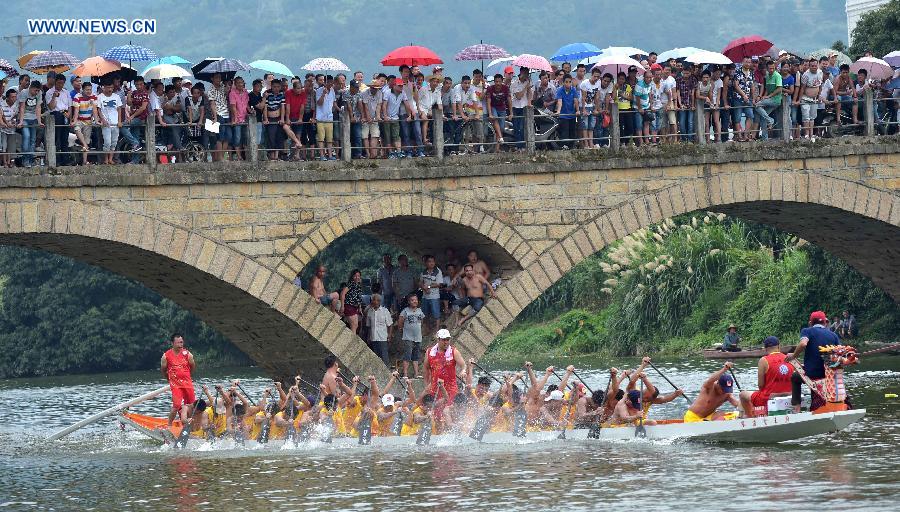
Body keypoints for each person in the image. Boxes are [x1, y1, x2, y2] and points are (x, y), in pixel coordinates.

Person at [786, 310, 841, 412]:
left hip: (813, 374)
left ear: (810, 323)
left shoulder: (807, 331)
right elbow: (839, 353)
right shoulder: (833, 335)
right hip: (829, 375)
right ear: (825, 322)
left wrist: (793, 355)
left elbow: (803, 344)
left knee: (795, 377)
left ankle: (796, 409)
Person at [738, 336, 793, 417]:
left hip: (769, 397)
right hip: (790, 395)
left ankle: (750, 418)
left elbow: (760, 385)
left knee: (742, 395)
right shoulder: (790, 358)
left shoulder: (763, 360)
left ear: (765, 348)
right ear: (779, 346)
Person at [161, 333, 196, 428]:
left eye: (182, 342)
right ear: (172, 343)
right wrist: (169, 379)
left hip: (187, 383)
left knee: (191, 405)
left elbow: (192, 366)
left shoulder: (188, 354)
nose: (181, 345)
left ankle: (190, 425)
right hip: (175, 385)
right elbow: (163, 370)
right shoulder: (166, 356)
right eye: (178, 343)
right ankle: (169, 426)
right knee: (176, 405)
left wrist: (187, 376)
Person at [423, 328, 466, 401]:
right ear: (438, 340)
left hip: (451, 388)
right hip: (435, 388)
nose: (446, 342)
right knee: (435, 410)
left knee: (448, 410)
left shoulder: (454, 351)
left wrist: (463, 371)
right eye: (443, 340)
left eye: (448, 339)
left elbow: (463, 365)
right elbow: (426, 369)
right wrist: (426, 385)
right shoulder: (429, 352)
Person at [397, 293, 425, 378]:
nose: (414, 301)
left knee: (416, 356)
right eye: (412, 300)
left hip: (418, 337)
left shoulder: (420, 310)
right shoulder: (405, 311)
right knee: (407, 355)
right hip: (408, 337)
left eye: (416, 300)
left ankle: (416, 374)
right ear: (409, 302)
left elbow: (422, 321)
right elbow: (400, 322)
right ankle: (405, 374)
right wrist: (401, 329)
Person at [96, 83, 124, 166]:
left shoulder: (116, 97)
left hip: (115, 123)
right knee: (107, 142)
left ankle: (111, 159)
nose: (110, 89)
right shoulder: (100, 97)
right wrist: (103, 120)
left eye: (111, 87)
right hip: (106, 124)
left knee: (114, 142)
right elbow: (99, 110)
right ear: (103, 87)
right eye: (108, 87)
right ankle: (105, 159)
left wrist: (119, 121)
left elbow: (119, 109)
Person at [70, 81, 97, 165]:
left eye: (90, 90)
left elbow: (95, 110)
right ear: (83, 90)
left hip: (88, 120)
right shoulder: (77, 96)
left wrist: (96, 120)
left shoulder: (94, 96)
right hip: (79, 119)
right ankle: (85, 144)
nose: (89, 91)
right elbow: (76, 110)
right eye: (87, 90)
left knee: (87, 140)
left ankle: (85, 161)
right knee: (77, 128)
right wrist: (74, 120)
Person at [17, 80, 43, 168]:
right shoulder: (24, 92)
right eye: (35, 90)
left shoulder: (39, 94)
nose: (36, 92)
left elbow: (38, 108)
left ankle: (31, 159)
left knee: (33, 139)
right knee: (26, 136)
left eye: (38, 91)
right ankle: (25, 158)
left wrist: (39, 121)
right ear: (30, 88)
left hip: (34, 118)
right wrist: (20, 121)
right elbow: (22, 108)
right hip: (24, 118)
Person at [486, 73, 511, 152]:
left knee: (501, 128)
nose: (498, 83)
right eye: (496, 82)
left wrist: (511, 113)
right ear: (494, 82)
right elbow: (488, 101)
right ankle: (500, 137)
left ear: (502, 81)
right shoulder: (490, 88)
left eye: (499, 81)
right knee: (495, 119)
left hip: (502, 108)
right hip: (493, 107)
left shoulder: (505, 88)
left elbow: (509, 100)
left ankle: (497, 149)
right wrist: (490, 113)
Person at [554, 74, 581, 148]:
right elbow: (560, 101)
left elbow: (576, 101)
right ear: (563, 82)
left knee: (572, 132)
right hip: (563, 115)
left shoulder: (573, 90)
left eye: (570, 82)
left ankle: (572, 147)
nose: (568, 84)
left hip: (572, 114)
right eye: (566, 82)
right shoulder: (560, 90)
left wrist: (578, 110)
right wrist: (559, 111)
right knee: (564, 132)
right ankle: (564, 146)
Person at [366, 293, 393, 365]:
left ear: (379, 301)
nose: (374, 302)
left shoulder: (385, 311)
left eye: (376, 300)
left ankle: (387, 373)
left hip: (382, 337)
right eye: (373, 300)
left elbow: (390, 325)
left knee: (384, 357)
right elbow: (369, 326)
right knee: (376, 357)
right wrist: (368, 337)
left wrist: (389, 335)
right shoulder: (369, 311)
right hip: (373, 338)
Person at [419, 255, 443, 333]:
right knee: (424, 313)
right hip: (425, 296)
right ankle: (427, 329)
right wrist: (424, 288)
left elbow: (439, 284)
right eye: (429, 261)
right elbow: (420, 283)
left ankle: (437, 330)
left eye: (433, 261)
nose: (432, 263)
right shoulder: (423, 272)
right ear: (426, 263)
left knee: (436, 314)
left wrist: (428, 286)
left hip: (434, 296)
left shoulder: (438, 271)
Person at [340, 269, 364, 334]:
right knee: (353, 325)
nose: (357, 277)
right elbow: (342, 294)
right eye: (355, 276)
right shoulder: (350, 284)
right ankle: (352, 342)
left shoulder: (358, 285)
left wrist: (360, 307)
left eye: (358, 276)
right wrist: (342, 306)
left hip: (355, 307)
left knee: (355, 325)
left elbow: (358, 298)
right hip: (349, 306)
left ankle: (351, 341)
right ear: (352, 277)